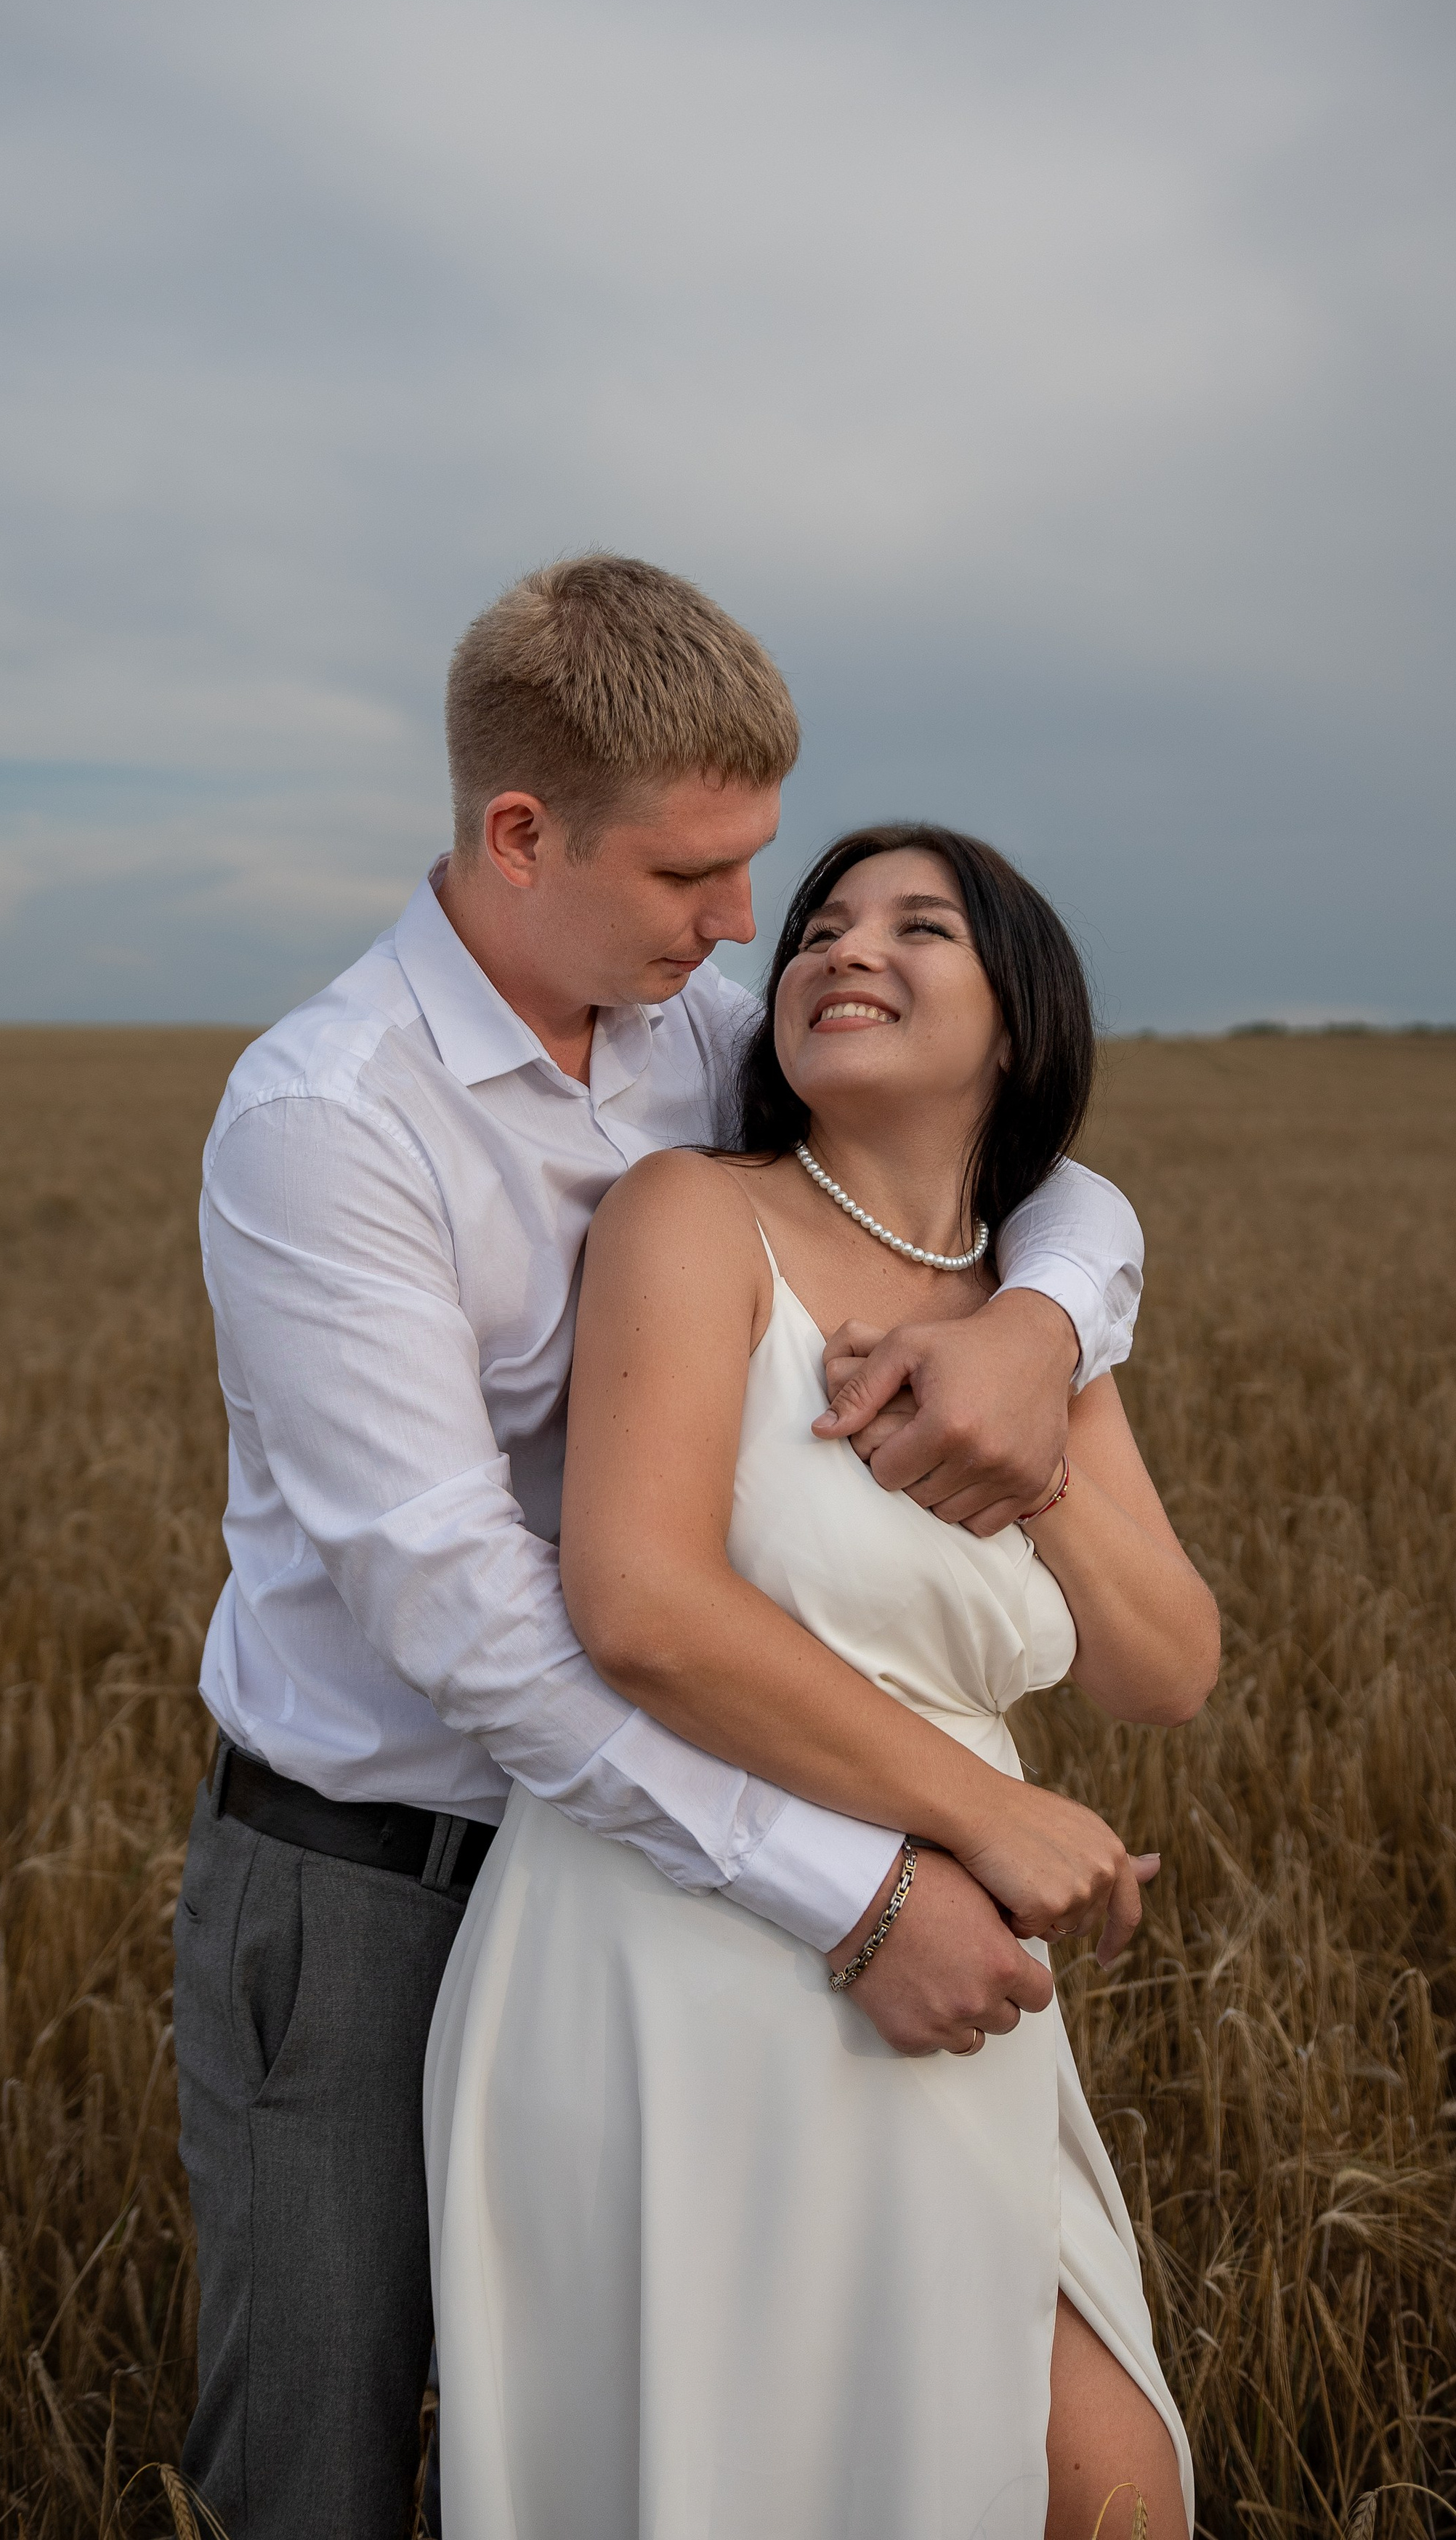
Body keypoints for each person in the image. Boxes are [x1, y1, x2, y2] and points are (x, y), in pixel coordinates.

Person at [173, 557, 1156, 2540]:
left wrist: (1040, 1332)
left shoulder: (697, 1037)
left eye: (754, 875)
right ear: (519, 834)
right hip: (382, 1881)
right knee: (324, 2472)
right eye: (693, 877)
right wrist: (863, 1889)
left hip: (671, 1884)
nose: (741, 930)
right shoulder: (328, 1121)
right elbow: (475, 1623)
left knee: (712, 2441)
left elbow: (1040, 1183)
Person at [425, 822, 1217, 2540]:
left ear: (1013, 1025)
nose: (842, 950)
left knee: (1105, 2488)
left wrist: (1010, 1413)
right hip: (688, 1933)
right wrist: (989, 1814)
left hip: (951, 1963)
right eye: (818, 927)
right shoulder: (692, 1213)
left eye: (918, 928)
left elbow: (1166, 1667)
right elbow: (636, 1604)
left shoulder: (1033, 1306)